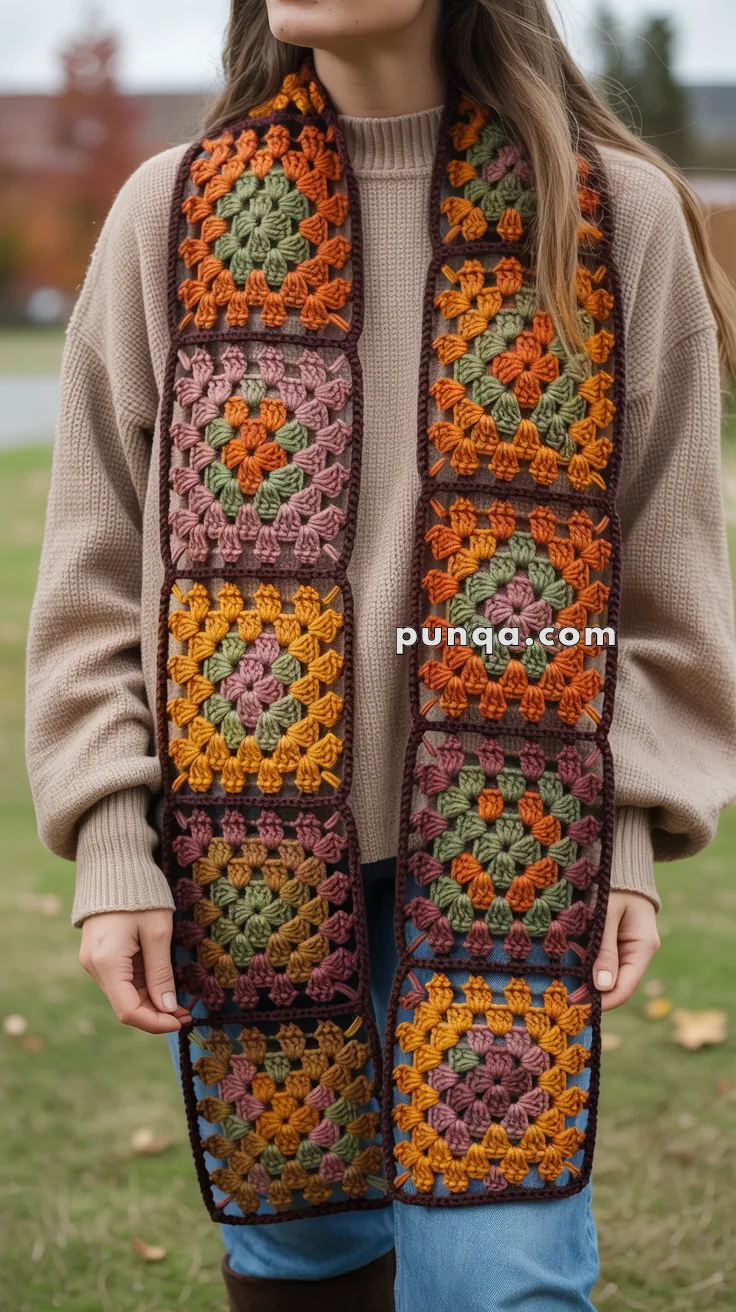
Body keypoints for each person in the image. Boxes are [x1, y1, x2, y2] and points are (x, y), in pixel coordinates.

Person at [25, 1, 736, 1308]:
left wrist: (625, 825)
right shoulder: (172, 213)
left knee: (500, 1278)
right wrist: (113, 837)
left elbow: (668, 572)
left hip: (518, 853)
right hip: (245, 872)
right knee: (304, 1268)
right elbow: (89, 563)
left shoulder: (614, 220)